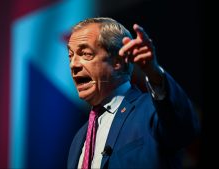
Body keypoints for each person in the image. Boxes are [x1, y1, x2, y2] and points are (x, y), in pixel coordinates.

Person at [66, 17, 200, 169]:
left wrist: (153, 72)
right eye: (71, 56)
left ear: (118, 61)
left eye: (85, 54)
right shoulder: (79, 139)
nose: (73, 64)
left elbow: (184, 129)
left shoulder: (152, 110)